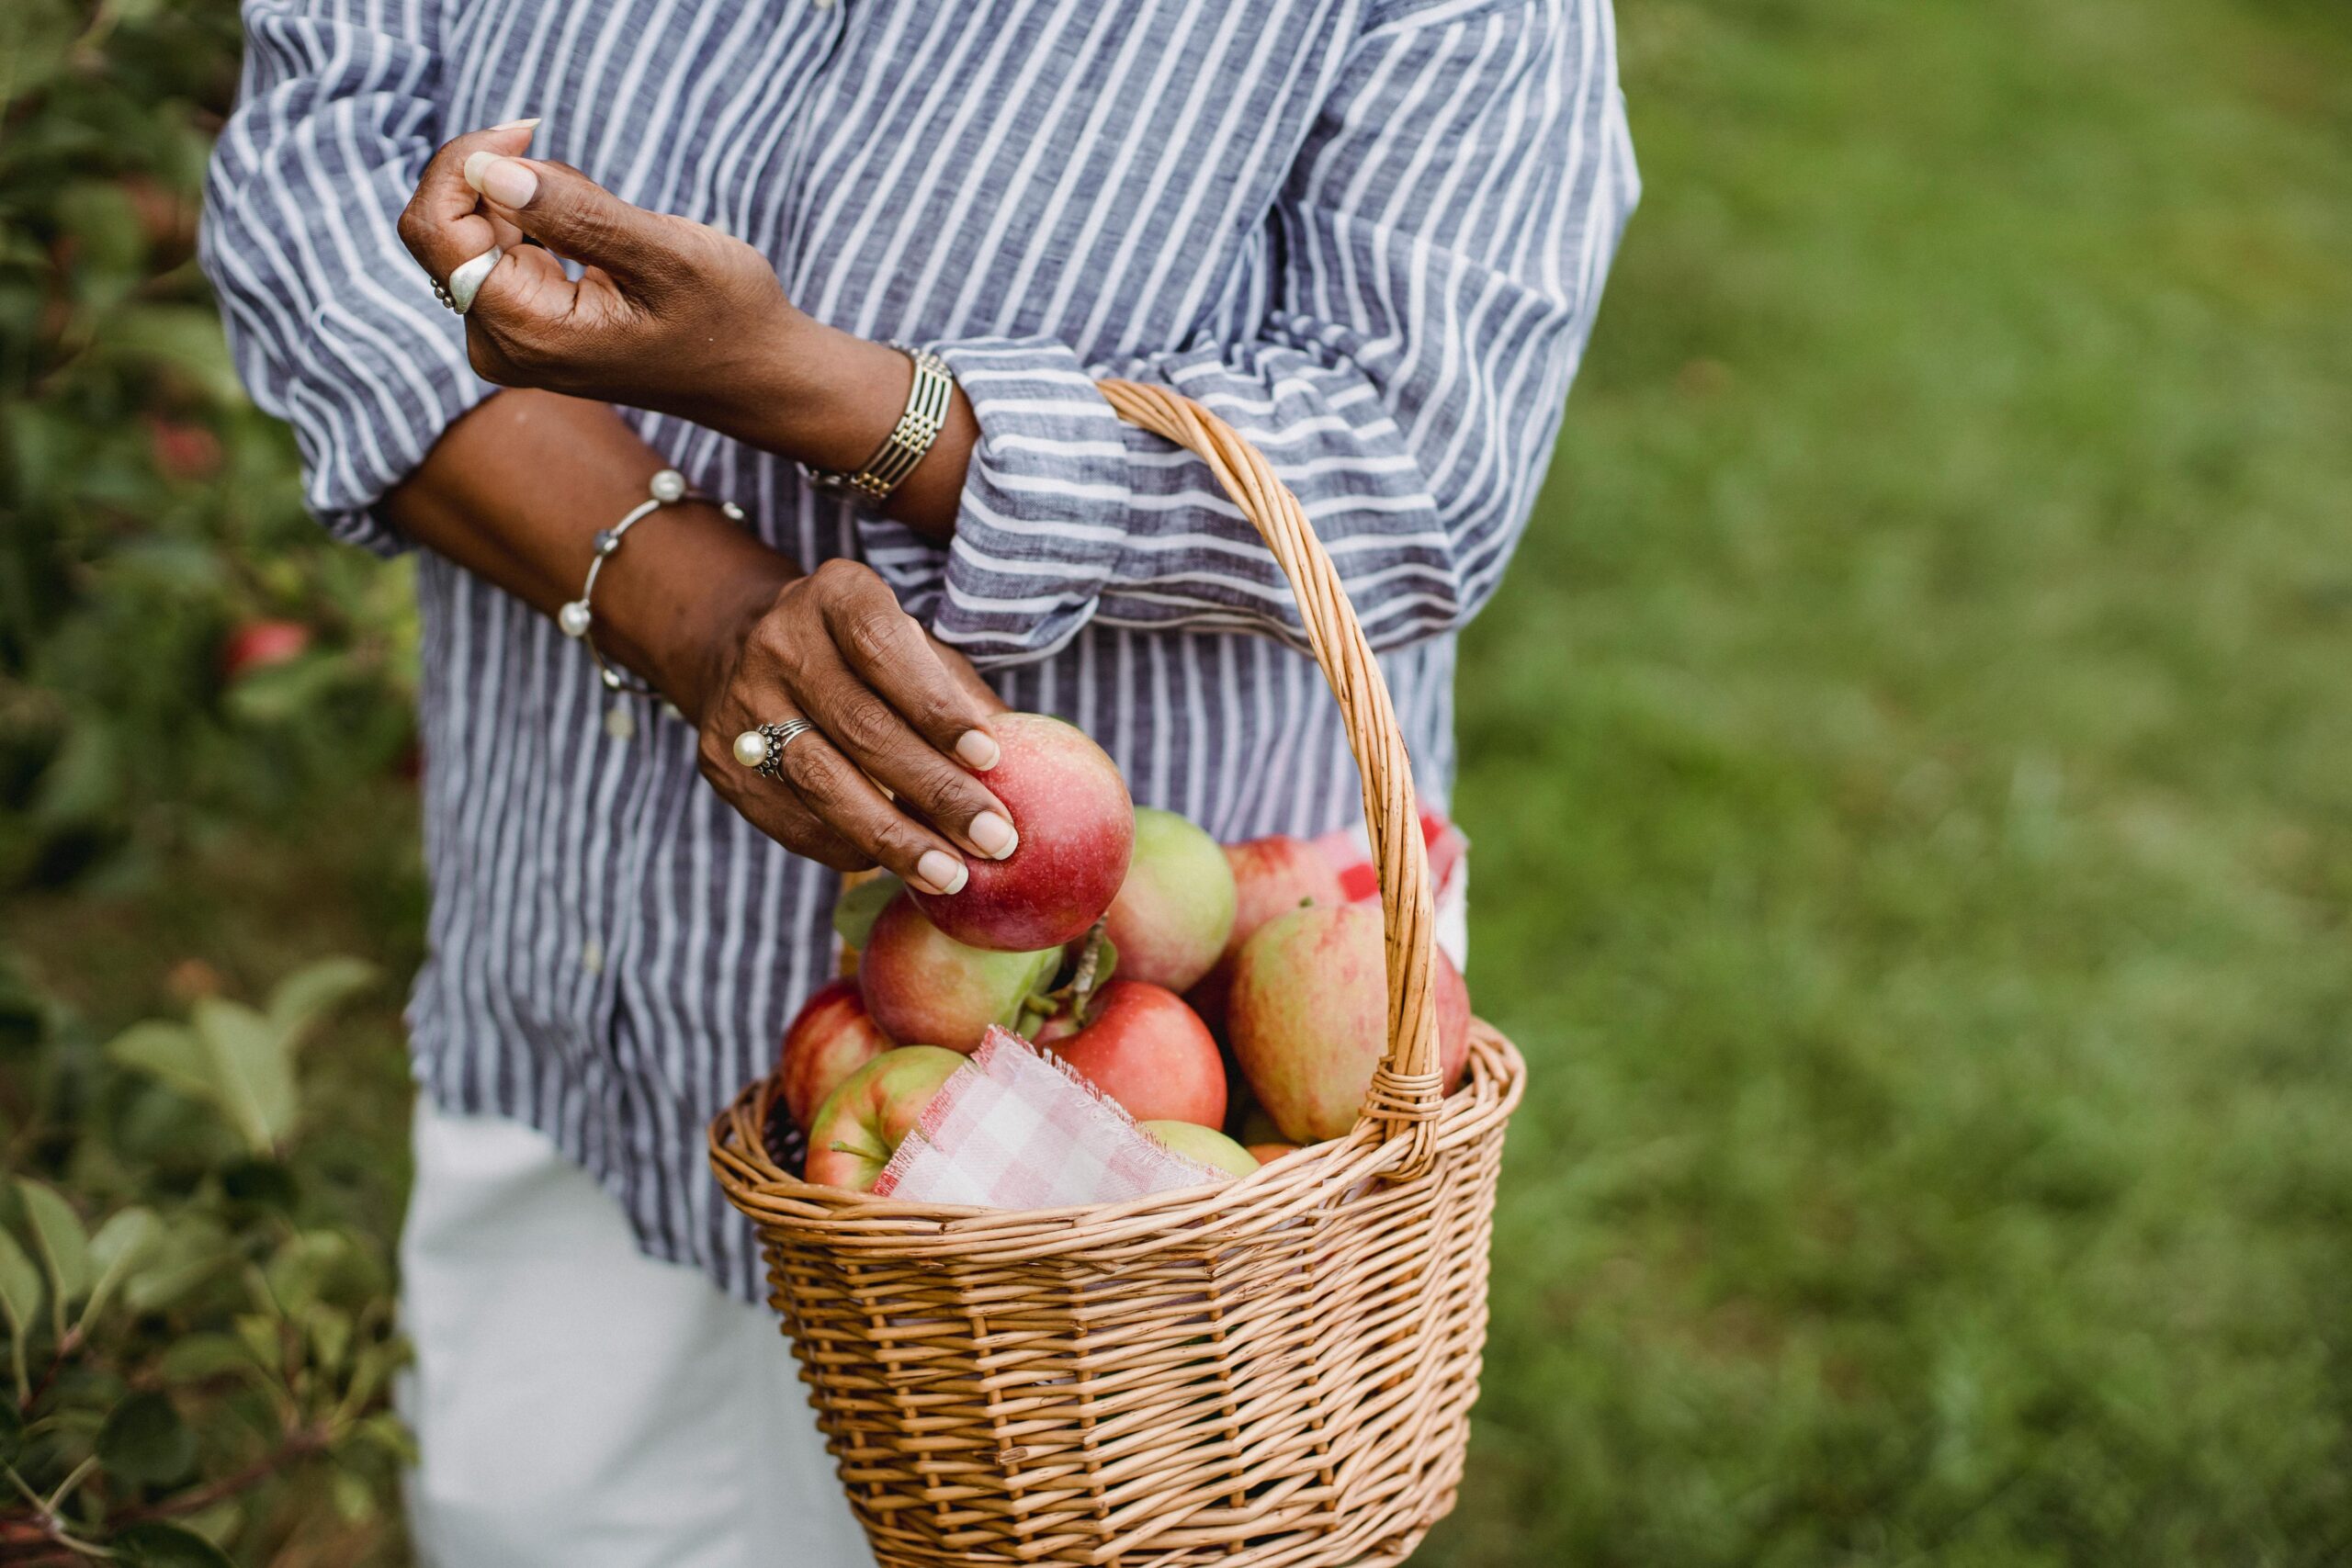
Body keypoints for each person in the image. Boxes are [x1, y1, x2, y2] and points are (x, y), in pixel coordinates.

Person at [202, 0, 1635, 1562]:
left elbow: (1418, 459)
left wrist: (833, 394)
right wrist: (692, 608)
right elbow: (314, 160)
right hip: (590, 991)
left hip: (1114, 1165)